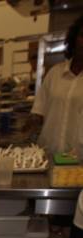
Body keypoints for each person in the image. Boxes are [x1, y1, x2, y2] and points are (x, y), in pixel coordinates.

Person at [29, 14, 83, 154]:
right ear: (74, 39)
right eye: (82, 36)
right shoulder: (54, 74)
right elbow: (38, 113)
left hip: (78, 160)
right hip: (48, 153)